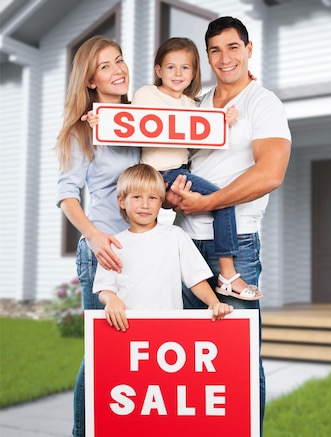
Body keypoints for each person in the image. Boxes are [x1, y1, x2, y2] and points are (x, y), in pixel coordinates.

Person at [167, 16, 292, 434]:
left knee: (237, 357)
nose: (225, 58)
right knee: (188, 356)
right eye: (216, 49)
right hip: (183, 242)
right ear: (208, 54)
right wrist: (174, 197)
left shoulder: (263, 103)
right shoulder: (196, 105)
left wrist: (209, 202)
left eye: (233, 47)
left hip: (234, 248)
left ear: (249, 49)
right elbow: (177, 162)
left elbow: (270, 173)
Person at [117, 36, 262, 301]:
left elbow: (206, 124)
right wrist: (100, 118)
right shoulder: (147, 93)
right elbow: (127, 120)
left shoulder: (190, 103)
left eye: (185, 68)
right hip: (161, 173)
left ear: (194, 72)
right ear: (159, 70)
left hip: (182, 171)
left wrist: (225, 118)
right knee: (222, 200)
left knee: (217, 201)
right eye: (171, 67)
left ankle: (218, 275)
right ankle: (228, 275)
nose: (178, 73)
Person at [55, 35, 140, 437]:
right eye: (105, 66)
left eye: (119, 61)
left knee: (136, 353)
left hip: (144, 250)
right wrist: (94, 237)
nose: (118, 70)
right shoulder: (81, 131)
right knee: (102, 353)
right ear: (91, 81)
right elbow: (67, 197)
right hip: (103, 251)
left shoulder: (144, 118)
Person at [93, 163, 233, 331]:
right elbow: (104, 288)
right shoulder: (112, 245)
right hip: (127, 328)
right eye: (137, 197)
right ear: (122, 201)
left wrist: (214, 303)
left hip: (169, 328)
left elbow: (196, 278)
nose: (145, 204)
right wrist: (111, 300)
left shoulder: (175, 236)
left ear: (161, 202)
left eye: (152, 198)